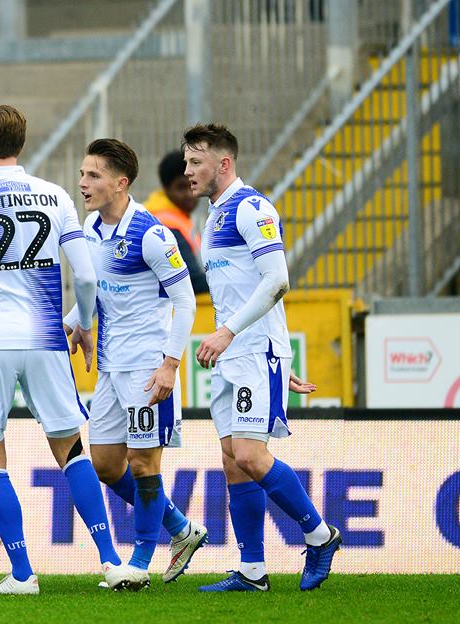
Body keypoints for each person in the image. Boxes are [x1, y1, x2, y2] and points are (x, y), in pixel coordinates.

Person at [0, 105, 140, 595]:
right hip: (47, 338)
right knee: (71, 449)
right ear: (21, 144)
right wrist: (85, 323)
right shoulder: (54, 197)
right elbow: (87, 275)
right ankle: (113, 562)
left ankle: (23, 572)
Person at [182, 123, 339, 592]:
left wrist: (244, 340)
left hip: (249, 349)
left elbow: (277, 281)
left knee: (251, 454)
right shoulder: (213, 216)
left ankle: (319, 534)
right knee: (232, 457)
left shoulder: (252, 208)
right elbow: (245, 288)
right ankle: (252, 571)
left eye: (196, 162)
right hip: (241, 354)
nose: (188, 171)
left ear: (224, 164)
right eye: (187, 161)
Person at [65, 138, 208, 588]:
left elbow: (186, 302)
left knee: (145, 465)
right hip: (109, 366)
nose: (83, 182)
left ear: (120, 182)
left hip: (148, 365)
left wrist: (170, 364)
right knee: (107, 465)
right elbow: (93, 293)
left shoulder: (151, 233)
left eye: (94, 175)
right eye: (83, 173)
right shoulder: (90, 227)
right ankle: (182, 530)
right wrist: (71, 324)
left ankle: (140, 563)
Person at [143, 150, 208, 294]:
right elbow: (192, 280)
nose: (188, 194)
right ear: (166, 190)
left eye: (192, 185)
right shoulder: (167, 224)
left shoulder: (174, 217)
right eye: (180, 188)